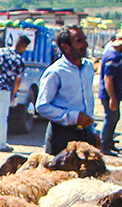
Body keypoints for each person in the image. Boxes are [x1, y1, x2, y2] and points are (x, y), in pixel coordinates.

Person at [35, 26, 99, 155]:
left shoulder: (88, 67)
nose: (85, 45)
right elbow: (42, 106)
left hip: (85, 134)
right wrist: (73, 117)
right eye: (79, 41)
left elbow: (87, 102)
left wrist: (93, 132)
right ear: (65, 47)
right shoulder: (55, 72)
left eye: (84, 40)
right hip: (62, 136)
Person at [98, 30, 122, 155]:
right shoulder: (113, 57)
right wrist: (112, 97)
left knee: (115, 117)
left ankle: (109, 142)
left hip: (112, 95)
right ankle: (104, 145)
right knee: (110, 119)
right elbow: (108, 78)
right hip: (109, 95)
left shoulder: (113, 55)